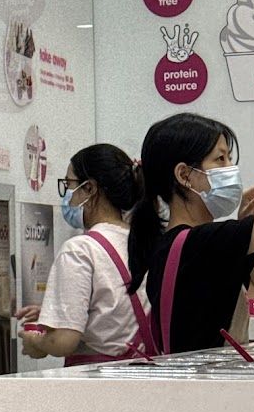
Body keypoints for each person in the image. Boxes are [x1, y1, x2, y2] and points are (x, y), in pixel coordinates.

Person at [127, 112, 254, 355]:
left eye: (229, 158)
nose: (231, 168)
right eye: (220, 159)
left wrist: (246, 224)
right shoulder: (200, 242)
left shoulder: (182, 242)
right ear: (184, 175)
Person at [18, 143, 155, 365]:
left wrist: (35, 342)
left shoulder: (79, 250)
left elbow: (64, 341)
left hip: (95, 378)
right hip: (141, 373)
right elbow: (116, 314)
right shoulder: (143, 242)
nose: (68, 196)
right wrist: (59, 312)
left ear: (90, 188)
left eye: (69, 185)